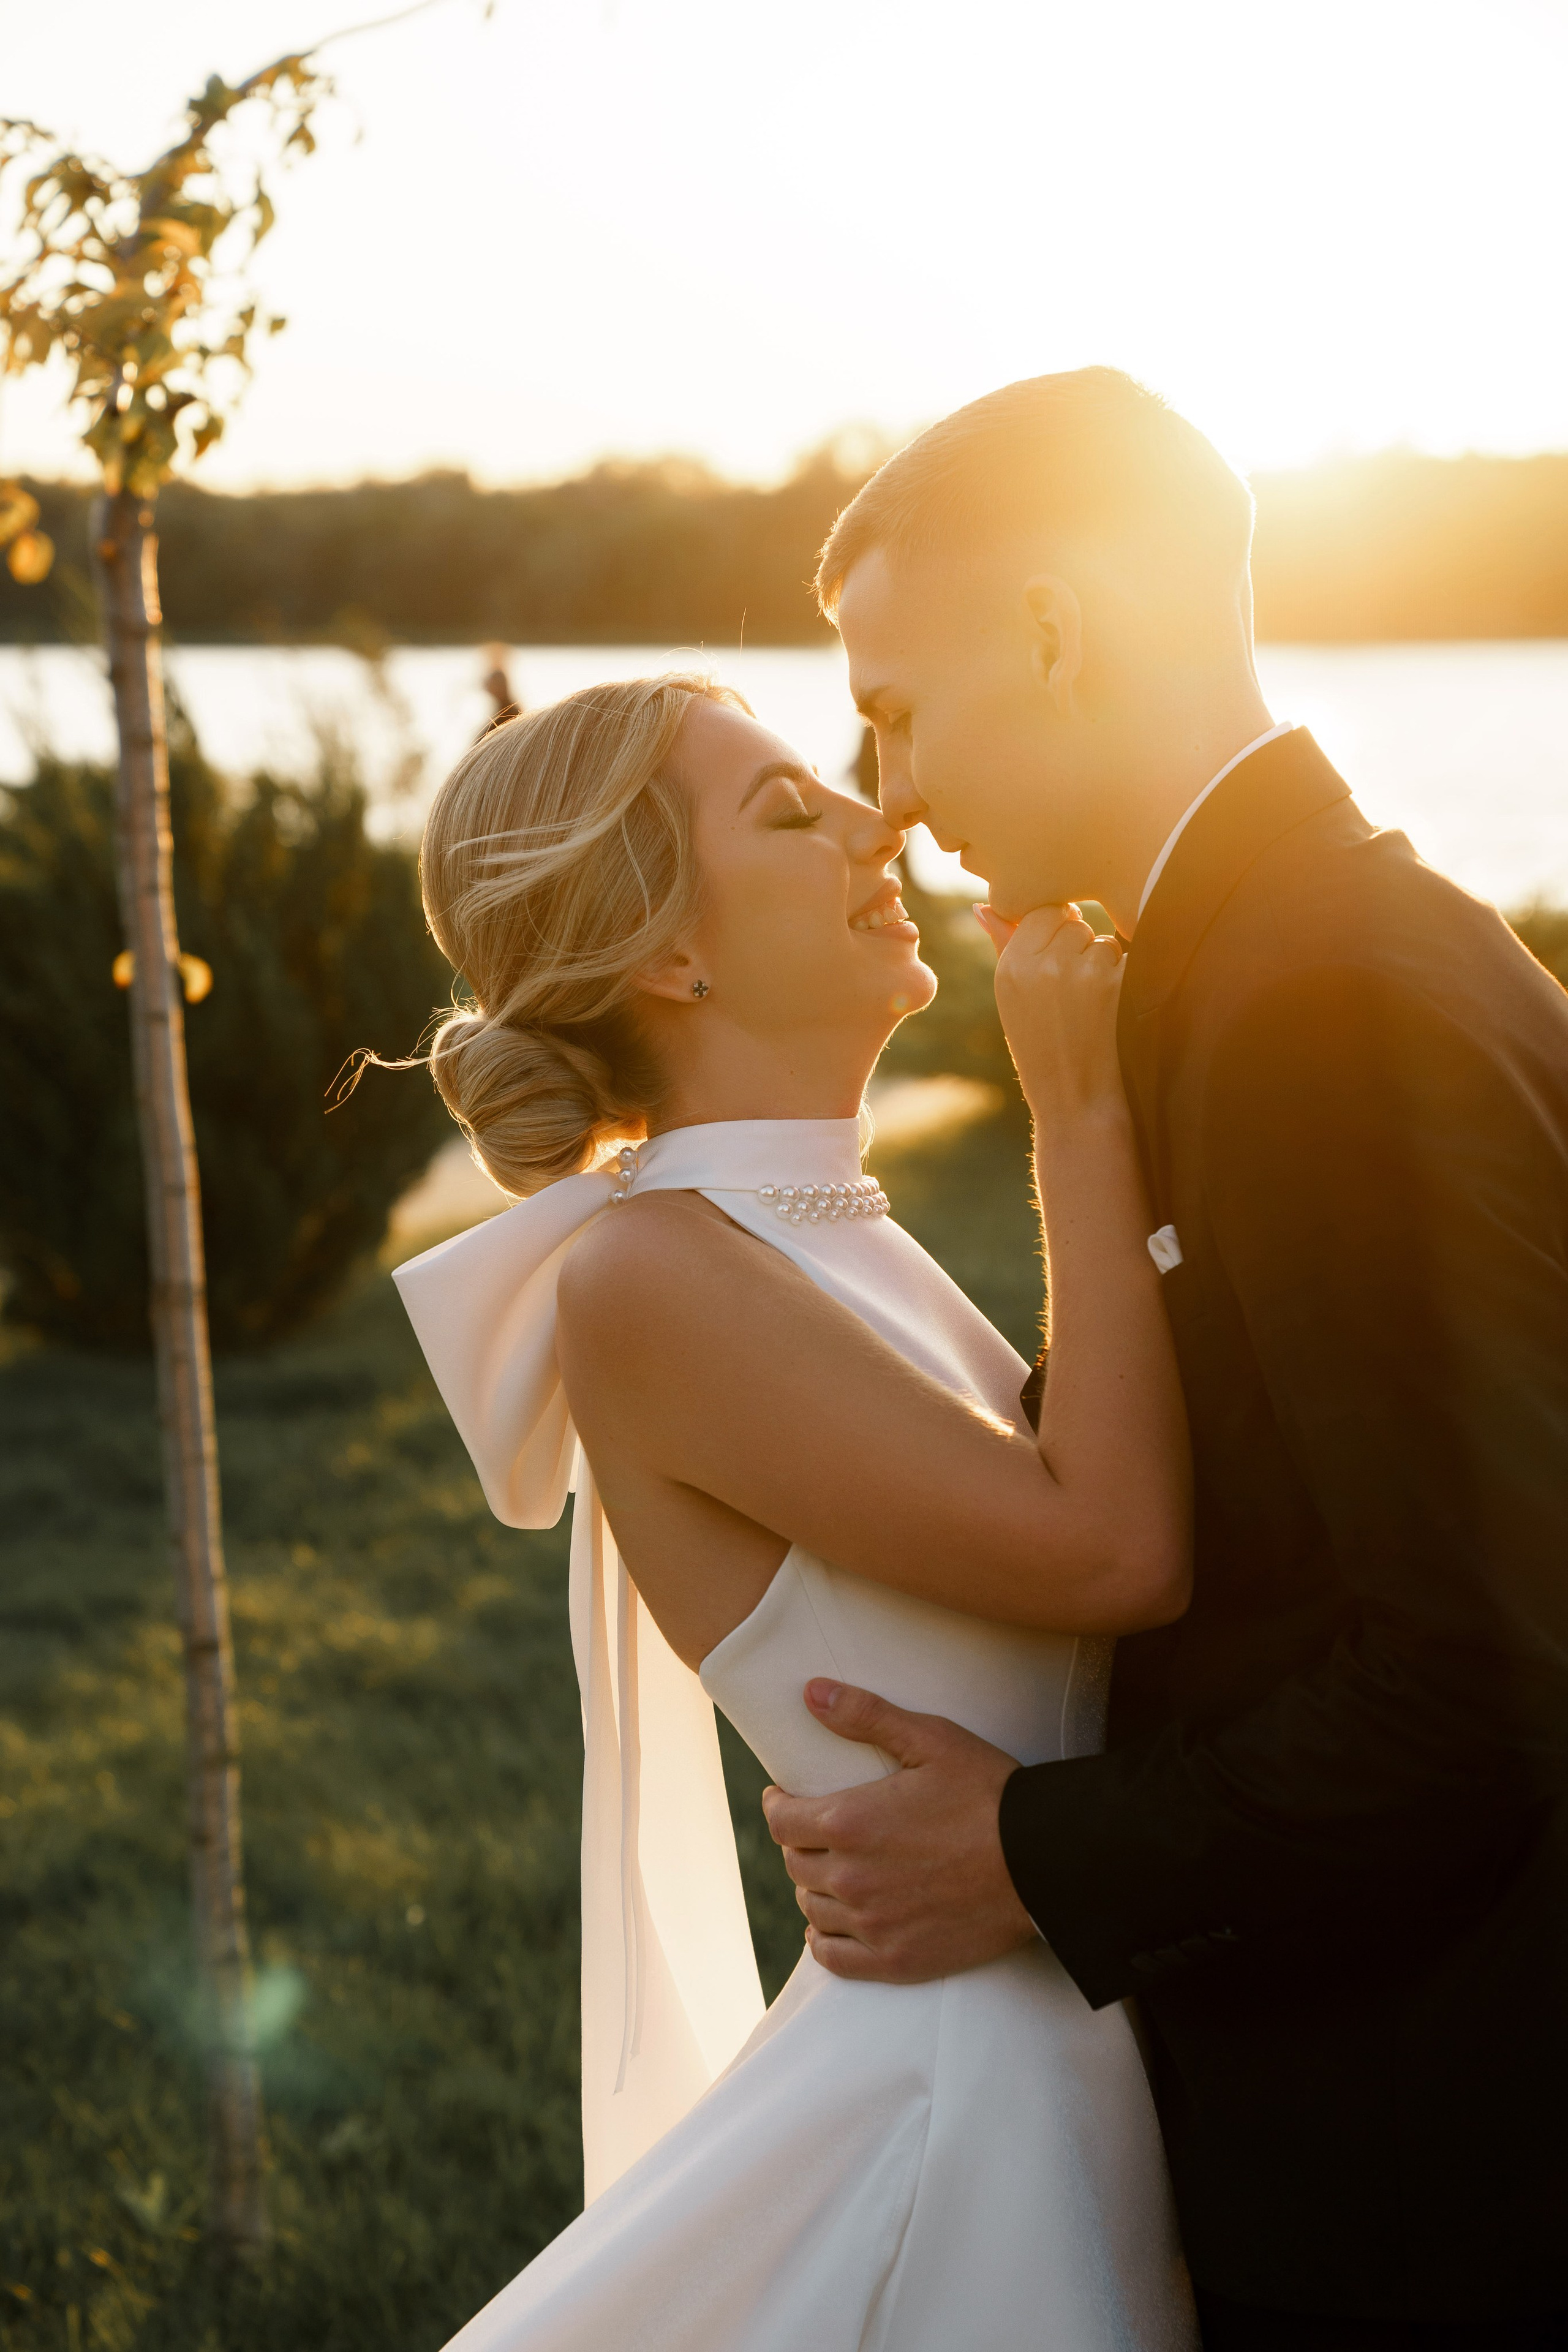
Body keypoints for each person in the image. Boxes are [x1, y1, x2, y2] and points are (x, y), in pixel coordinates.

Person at [764, 368, 1568, 2351]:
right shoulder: (1269, 959)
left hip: (1455, 2167)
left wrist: (1034, 1852)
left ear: (1055, 630)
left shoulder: (1321, 1003)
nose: (888, 796)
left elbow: (1488, 1673)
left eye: (896, 707)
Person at [393, 671, 1198, 2348]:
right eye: (787, 809)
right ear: (667, 956)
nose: (877, 812)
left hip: (1046, 2022)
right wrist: (1078, 1106)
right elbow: (1112, 1550)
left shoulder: (815, 1220)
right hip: (952, 2093)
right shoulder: (652, 1274)